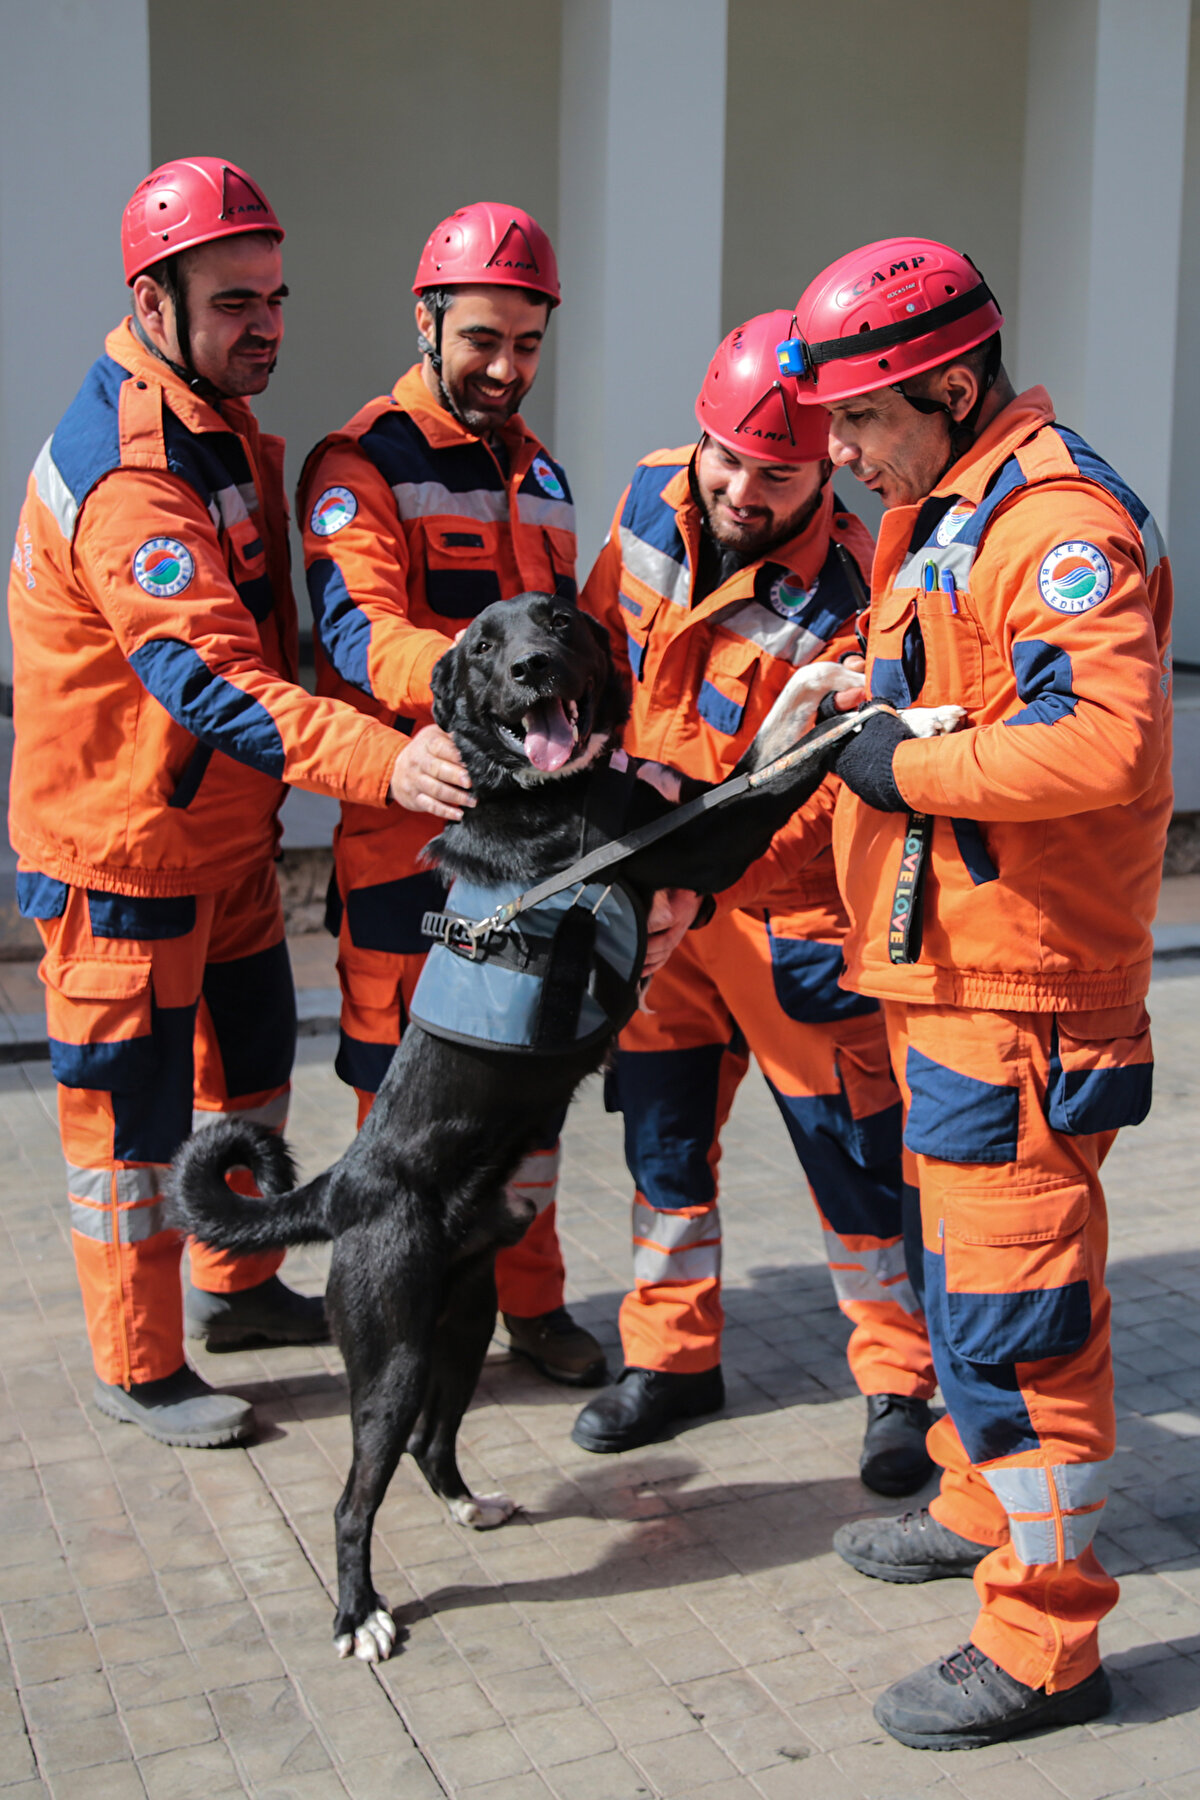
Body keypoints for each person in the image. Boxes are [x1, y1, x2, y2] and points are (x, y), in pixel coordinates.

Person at [777, 237, 1172, 1748]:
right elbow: (970, 691)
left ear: (951, 382)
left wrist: (904, 761)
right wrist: (857, 706)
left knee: (1023, 1324)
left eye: (867, 421)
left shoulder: (1053, 519)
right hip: (953, 979)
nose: (845, 454)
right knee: (964, 1296)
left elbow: (1108, 747)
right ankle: (968, 1502)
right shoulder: (951, 509)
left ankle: (1042, 1642)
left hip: (1025, 1000)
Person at [6, 157, 442, 1448]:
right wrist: (385, 763)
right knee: (131, 1131)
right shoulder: (133, 473)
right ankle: (141, 1363)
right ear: (153, 301)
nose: (269, 325)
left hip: (224, 847)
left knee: (249, 1076)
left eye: (278, 297)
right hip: (123, 856)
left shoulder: (221, 433)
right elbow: (213, 684)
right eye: (235, 301)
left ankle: (240, 1287)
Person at [570, 312, 937, 1494]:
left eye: (772, 471)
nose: (734, 487)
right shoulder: (646, 498)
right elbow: (594, 659)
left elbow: (829, 793)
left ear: (826, 460)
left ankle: (901, 1383)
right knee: (663, 1138)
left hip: (784, 916)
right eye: (721, 453)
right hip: (661, 914)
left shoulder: (861, 591)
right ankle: (672, 1358)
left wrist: (694, 869)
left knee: (857, 1162)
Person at [297, 203, 604, 1387]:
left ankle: (531, 1304)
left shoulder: (545, 472)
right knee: (405, 1119)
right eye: (482, 338)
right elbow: (358, 630)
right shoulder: (361, 463)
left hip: (539, 856)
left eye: (528, 344)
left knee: (528, 1086)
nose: (506, 368)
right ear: (424, 322)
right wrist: (476, 703)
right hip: (410, 854)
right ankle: (399, 1333)